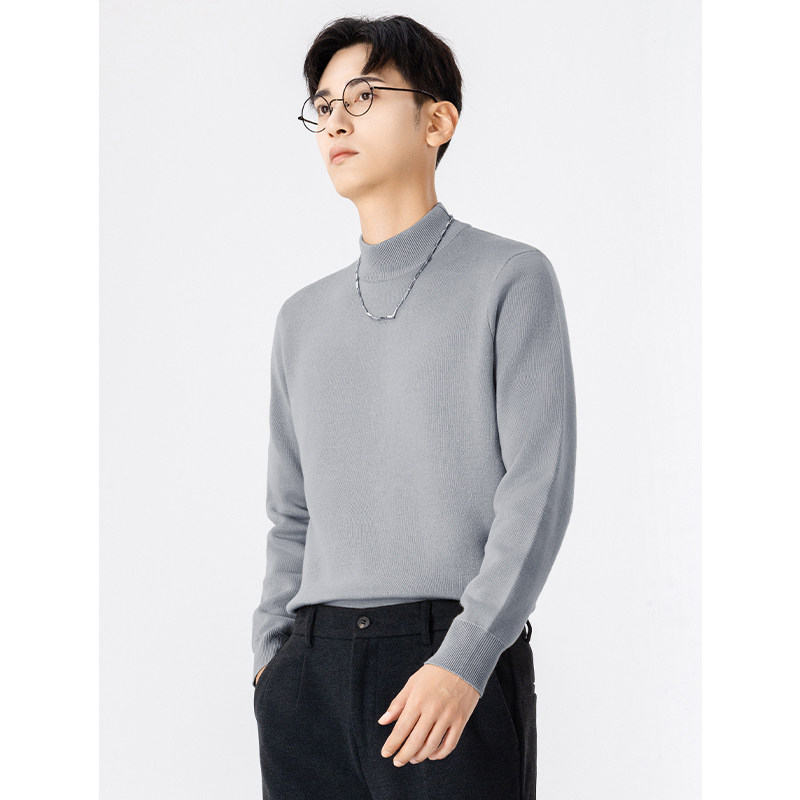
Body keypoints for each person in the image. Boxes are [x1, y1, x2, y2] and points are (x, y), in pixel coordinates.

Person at [251, 14, 576, 800]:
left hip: (446, 656)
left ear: (437, 122)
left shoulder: (510, 278)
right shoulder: (301, 317)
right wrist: (271, 664)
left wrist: (469, 655)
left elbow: (537, 486)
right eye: (324, 105)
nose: (336, 121)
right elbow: (291, 513)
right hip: (309, 673)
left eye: (363, 96)